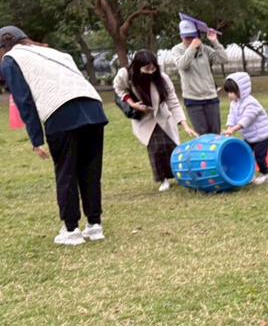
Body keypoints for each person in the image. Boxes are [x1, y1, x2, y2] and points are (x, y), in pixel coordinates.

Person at [0, 25, 108, 245]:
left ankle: (71, 229)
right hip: (94, 108)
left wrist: (36, 139)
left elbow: (24, 100)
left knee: (66, 171)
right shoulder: (56, 52)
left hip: (61, 111)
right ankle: (94, 225)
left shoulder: (10, 59)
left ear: (4, 46)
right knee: (90, 170)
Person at [113, 50, 197, 192]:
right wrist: (132, 104)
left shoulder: (162, 78)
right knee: (156, 148)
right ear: (137, 67)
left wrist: (185, 125)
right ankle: (163, 179)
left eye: (153, 68)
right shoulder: (125, 74)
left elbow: (173, 102)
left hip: (162, 115)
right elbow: (119, 89)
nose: (151, 72)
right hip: (144, 118)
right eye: (147, 69)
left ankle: (179, 174)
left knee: (171, 145)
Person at [167, 19, 227, 135]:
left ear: (198, 35)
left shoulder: (205, 49)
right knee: (202, 134)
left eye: (192, 36)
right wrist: (192, 48)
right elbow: (182, 65)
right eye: (186, 37)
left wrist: (215, 41)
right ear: (181, 36)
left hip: (211, 97)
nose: (190, 40)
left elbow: (223, 59)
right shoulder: (176, 50)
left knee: (216, 133)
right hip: (193, 99)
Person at [222, 72, 268, 186]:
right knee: (245, 154)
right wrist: (229, 128)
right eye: (228, 92)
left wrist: (233, 129)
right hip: (249, 135)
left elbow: (246, 120)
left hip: (261, 135)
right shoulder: (234, 103)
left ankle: (266, 174)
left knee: (259, 157)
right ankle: (249, 175)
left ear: (242, 90)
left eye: (232, 92)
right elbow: (232, 116)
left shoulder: (251, 103)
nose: (230, 95)